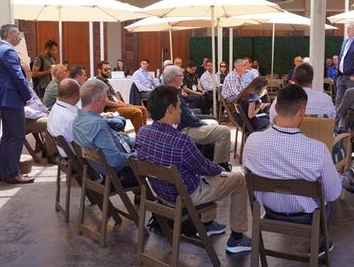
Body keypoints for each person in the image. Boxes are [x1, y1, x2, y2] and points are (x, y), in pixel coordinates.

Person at [243, 84, 354, 257]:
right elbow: (332, 194)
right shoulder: (317, 149)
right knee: (328, 195)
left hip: (269, 210)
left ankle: (342, 179)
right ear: (302, 110)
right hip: (307, 216)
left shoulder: (252, 141)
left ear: (276, 108)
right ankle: (319, 242)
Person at [136, 86, 251, 253]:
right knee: (239, 180)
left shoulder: (142, 133)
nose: (182, 111)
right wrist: (220, 169)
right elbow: (205, 167)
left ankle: (208, 223)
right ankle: (238, 238)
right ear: (170, 109)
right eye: (179, 106)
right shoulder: (181, 140)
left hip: (160, 193)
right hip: (186, 195)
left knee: (205, 175)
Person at [162, 66, 232, 168]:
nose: (183, 77)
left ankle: (209, 155)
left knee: (211, 119)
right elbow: (187, 118)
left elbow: (185, 113)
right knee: (224, 131)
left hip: (178, 126)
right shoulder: (173, 94)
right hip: (182, 129)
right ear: (176, 78)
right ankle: (220, 165)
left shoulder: (166, 90)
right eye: (182, 75)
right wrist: (203, 123)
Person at [73, 79, 138, 187]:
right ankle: (158, 199)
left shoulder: (77, 120)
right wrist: (138, 155)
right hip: (121, 173)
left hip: (103, 169)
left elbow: (117, 138)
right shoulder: (98, 124)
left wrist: (137, 141)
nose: (106, 102)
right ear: (98, 101)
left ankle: (141, 196)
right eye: (105, 99)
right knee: (157, 163)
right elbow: (115, 159)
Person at [0, 24, 33, 184]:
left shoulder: (0, 50)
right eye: (18, 34)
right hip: (12, 100)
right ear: (10, 34)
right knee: (16, 136)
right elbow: (18, 76)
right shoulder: (8, 51)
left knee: (8, 137)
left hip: (6, 99)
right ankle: (12, 173)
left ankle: (5, 172)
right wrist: (27, 95)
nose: (20, 37)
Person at [270, 63, 336, 123]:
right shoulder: (326, 99)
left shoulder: (281, 99)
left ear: (293, 79)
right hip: (321, 136)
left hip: (290, 136)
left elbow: (272, 119)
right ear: (312, 79)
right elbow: (333, 120)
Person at [70, 65, 127, 132]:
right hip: (90, 118)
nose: (86, 77)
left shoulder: (81, 88)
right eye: (84, 75)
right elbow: (84, 111)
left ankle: (118, 138)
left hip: (91, 115)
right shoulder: (77, 91)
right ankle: (117, 139)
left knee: (121, 119)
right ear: (78, 76)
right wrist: (102, 114)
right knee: (119, 122)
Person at [96, 60, 148, 132]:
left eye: (109, 69)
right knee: (137, 112)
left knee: (143, 109)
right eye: (105, 69)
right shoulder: (98, 83)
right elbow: (106, 102)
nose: (108, 71)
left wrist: (126, 104)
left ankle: (144, 135)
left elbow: (115, 98)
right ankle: (140, 139)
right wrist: (122, 106)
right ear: (99, 70)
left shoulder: (106, 82)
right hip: (110, 109)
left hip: (116, 106)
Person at [22, 62, 56, 163]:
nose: (31, 74)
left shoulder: (27, 85)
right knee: (49, 122)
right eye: (28, 71)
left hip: (36, 117)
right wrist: (43, 114)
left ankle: (50, 149)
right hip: (26, 121)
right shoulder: (20, 87)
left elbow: (38, 102)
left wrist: (46, 110)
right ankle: (51, 154)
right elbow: (25, 111)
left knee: (55, 119)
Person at [47, 78, 81, 157]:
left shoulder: (56, 108)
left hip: (66, 152)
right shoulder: (71, 118)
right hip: (78, 156)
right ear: (75, 95)